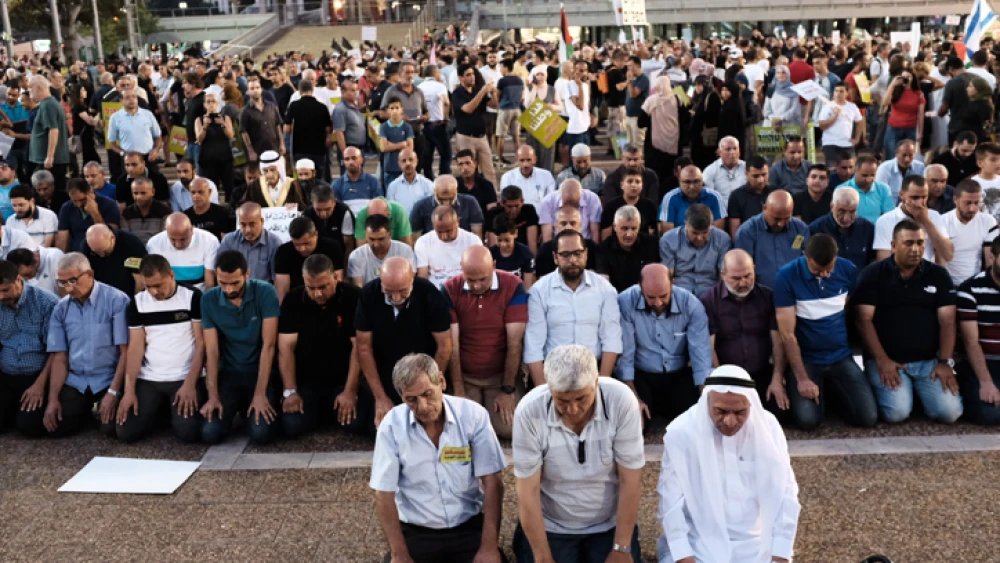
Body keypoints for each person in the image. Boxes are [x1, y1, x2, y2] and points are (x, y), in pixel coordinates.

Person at [512, 344, 644, 563]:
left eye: (581, 398)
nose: (572, 409)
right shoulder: (529, 411)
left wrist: (621, 547)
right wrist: (543, 557)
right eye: (562, 401)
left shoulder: (621, 401)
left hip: (608, 525)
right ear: (549, 388)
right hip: (552, 526)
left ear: (596, 382)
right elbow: (528, 490)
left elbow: (630, 479)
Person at [656, 365, 800, 563]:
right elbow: (670, 501)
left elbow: (786, 491)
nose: (730, 421)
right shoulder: (681, 432)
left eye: (740, 412)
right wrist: (684, 556)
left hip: (757, 545)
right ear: (708, 400)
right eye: (721, 411)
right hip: (698, 541)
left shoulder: (768, 427)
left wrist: (780, 552)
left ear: (751, 403)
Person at [371, 353, 507, 563]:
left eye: (428, 394)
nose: (423, 407)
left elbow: (493, 483)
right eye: (412, 400)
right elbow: (383, 494)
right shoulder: (391, 426)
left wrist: (489, 546)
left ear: (441, 382)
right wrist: (400, 554)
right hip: (417, 530)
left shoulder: (473, 416)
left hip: (467, 526)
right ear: (401, 397)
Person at [855, 219, 963, 424]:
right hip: (889, 361)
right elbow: (863, 320)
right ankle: (905, 393)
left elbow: (948, 321)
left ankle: (918, 394)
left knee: (950, 413)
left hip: (929, 363)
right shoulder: (873, 274)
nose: (916, 249)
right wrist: (882, 360)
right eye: (909, 243)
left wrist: (945, 362)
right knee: (897, 413)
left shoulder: (938, 275)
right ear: (894, 246)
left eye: (920, 243)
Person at [774, 234, 877, 430]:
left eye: (829, 269)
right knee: (807, 421)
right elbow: (787, 334)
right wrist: (802, 378)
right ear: (805, 256)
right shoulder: (786, 276)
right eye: (817, 270)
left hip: (840, 356)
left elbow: (848, 307)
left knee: (867, 418)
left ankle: (833, 394)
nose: (823, 275)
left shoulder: (847, 270)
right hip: (807, 358)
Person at [115, 254, 204, 443]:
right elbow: (135, 349)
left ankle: (167, 412)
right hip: (150, 378)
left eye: (158, 285)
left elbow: (201, 344)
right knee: (126, 431)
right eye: (148, 286)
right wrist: (129, 390)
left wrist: (190, 384)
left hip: (183, 376)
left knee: (189, 433)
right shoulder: (138, 303)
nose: (154, 292)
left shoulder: (192, 297)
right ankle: (160, 411)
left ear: (171, 275)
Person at [278, 254, 369, 438]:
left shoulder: (353, 296)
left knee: (355, 424)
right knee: (292, 426)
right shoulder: (293, 300)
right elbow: (286, 349)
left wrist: (350, 391)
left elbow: (358, 347)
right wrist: (290, 391)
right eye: (311, 288)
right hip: (308, 380)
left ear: (335, 278)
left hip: (341, 379)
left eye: (323, 287)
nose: (317, 293)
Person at [442, 246, 528, 439]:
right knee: (462, 431)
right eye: (471, 280)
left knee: (509, 429)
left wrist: (507, 389)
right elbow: (452, 345)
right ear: (461, 270)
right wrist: (459, 391)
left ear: (494, 267)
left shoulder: (513, 286)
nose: (477, 285)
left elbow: (515, 343)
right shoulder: (449, 289)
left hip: (499, 377)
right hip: (465, 376)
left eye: (483, 279)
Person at [355, 256, 452, 426]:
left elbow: (444, 346)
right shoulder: (369, 294)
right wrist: (380, 397)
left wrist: (431, 388)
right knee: (379, 427)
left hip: (422, 372)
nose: (396, 297)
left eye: (402, 291)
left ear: (412, 277)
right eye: (389, 291)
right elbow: (363, 347)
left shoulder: (429, 294)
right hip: (386, 374)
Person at [200, 250, 282, 444]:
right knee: (209, 433)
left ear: (247, 274)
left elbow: (269, 346)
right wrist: (212, 396)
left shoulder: (265, 292)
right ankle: (239, 409)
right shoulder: (208, 299)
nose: (228, 290)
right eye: (223, 283)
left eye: (234, 283)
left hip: (260, 370)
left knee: (261, 435)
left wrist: (260, 393)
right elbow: (211, 351)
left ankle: (257, 405)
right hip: (230, 372)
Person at [44, 252, 130, 437]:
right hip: (76, 380)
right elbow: (60, 357)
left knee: (112, 429)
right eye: (62, 282)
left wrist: (114, 392)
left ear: (90, 274)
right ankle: (85, 412)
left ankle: (95, 411)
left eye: (73, 280)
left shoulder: (117, 300)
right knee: (53, 425)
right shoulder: (61, 308)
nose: (68, 288)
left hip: (107, 379)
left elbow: (126, 352)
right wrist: (52, 399)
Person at [616, 263, 712, 427]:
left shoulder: (691, 305)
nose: (658, 303)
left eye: (663, 296)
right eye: (651, 297)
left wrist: (705, 397)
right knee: (634, 422)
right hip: (641, 374)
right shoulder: (625, 302)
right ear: (640, 287)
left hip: (678, 374)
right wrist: (634, 397)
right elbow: (625, 356)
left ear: (672, 284)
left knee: (696, 422)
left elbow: (700, 355)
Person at [524, 230, 622, 385]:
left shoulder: (605, 289)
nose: (572, 260)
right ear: (555, 257)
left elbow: (611, 340)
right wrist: (543, 393)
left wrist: (602, 385)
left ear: (586, 254)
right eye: (565, 254)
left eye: (578, 253)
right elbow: (533, 347)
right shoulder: (539, 291)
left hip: (593, 371)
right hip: (552, 372)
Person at [701, 249, 790, 414]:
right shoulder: (709, 300)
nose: (743, 283)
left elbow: (778, 341)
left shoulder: (767, 297)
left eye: (748, 276)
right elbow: (709, 347)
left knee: (780, 413)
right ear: (723, 275)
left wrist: (777, 379)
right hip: (728, 375)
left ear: (754, 269)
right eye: (736, 278)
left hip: (761, 371)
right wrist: (721, 384)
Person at [0, 260, 60, 436]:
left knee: (29, 428)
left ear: (19, 280)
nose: (1, 297)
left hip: (36, 375)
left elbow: (56, 351)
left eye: (5, 290)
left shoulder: (47, 303)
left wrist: (39, 385)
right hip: (5, 373)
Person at [957, 238, 1000, 425]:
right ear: (992, 257)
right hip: (982, 363)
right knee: (988, 414)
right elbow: (971, 342)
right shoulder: (970, 289)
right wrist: (986, 382)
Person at [734, 190, 810, 289]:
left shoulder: (800, 229)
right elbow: (744, 270)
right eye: (776, 218)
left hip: (795, 290)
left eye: (786, 218)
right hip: (760, 294)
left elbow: (806, 261)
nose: (781, 224)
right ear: (764, 208)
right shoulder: (747, 231)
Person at [873, 175, 953, 264]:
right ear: (902, 195)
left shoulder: (934, 216)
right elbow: (883, 260)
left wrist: (926, 221)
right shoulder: (885, 220)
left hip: (927, 273)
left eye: (924, 197)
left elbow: (948, 255)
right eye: (915, 197)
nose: (920, 203)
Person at [660, 203, 731, 297]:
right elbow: (668, 274)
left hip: (711, 292)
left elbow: (723, 275)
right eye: (695, 233)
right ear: (686, 224)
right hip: (679, 292)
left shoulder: (723, 239)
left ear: (711, 225)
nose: (700, 238)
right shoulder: (668, 240)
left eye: (705, 232)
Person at [274, 216, 345, 302]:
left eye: (306, 243)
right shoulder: (283, 252)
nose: (302, 249)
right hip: (297, 302)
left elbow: (337, 282)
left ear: (316, 234)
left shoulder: (332, 247)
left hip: (328, 298)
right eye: (297, 244)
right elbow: (282, 291)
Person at [808, 187, 875, 275]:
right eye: (841, 211)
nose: (846, 218)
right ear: (832, 206)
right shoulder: (815, 229)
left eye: (852, 212)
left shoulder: (867, 228)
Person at [941, 179, 997, 286]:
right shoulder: (942, 222)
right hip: (949, 284)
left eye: (976, 203)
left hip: (976, 284)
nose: (972, 208)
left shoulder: (988, 222)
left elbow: (990, 260)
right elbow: (940, 260)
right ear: (955, 199)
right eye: (967, 203)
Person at [414, 205, 483, 289]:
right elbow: (423, 279)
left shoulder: (473, 241)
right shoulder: (423, 243)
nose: (444, 236)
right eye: (439, 232)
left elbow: (478, 274)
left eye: (448, 231)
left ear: (458, 222)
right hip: (436, 293)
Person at [146, 213, 220, 291]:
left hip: (199, 294)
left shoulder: (209, 241)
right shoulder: (154, 244)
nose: (178, 245)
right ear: (166, 231)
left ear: (191, 230)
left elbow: (210, 282)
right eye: (173, 239)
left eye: (183, 239)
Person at [597, 205, 661, 293]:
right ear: (615, 227)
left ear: (639, 227)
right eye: (624, 229)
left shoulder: (652, 244)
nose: (629, 234)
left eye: (634, 228)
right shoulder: (603, 249)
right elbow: (604, 284)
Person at [451, 62, 497, 185]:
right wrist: (482, 91)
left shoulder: (477, 90)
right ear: (461, 78)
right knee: (468, 171)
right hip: (466, 137)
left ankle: (491, 198)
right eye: (468, 75)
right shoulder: (457, 94)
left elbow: (494, 105)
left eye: (473, 74)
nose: (472, 77)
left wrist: (493, 93)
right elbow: (468, 109)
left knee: (489, 171)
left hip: (482, 137)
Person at [217, 202, 283, 283]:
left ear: (262, 221)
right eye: (243, 225)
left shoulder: (274, 243)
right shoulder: (229, 241)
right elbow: (220, 274)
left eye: (252, 224)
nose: (247, 230)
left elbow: (278, 280)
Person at [284, 79, 333, 183]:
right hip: (318, 149)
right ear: (312, 90)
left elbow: (286, 129)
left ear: (299, 91)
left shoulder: (293, 106)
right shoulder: (322, 107)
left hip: (300, 149)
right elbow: (329, 129)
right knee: (319, 179)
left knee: (301, 180)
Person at [347, 214, 417, 287]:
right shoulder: (356, 256)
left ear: (390, 234)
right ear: (365, 235)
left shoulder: (405, 251)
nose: (376, 244)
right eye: (372, 239)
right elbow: (359, 288)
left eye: (381, 239)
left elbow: (410, 282)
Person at [27, 76, 70, 193]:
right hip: (49, 159)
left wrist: (49, 156)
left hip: (51, 161)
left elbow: (53, 130)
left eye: (31, 90)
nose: (30, 94)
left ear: (39, 88)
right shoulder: (48, 104)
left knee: (51, 192)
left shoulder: (48, 105)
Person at [56, 178, 122, 253]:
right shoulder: (66, 207)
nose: (78, 204)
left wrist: (95, 213)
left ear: (90, 192)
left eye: (82, 200)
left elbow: (110, 236)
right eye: (74, 201)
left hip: (100, 252)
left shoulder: (110, 205)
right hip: (77, 254)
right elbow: (63, 239)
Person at [409, 174, 485, 238]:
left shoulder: (470, 203)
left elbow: (477, 234)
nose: (446, 203)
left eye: (450, 198)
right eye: (441, 199)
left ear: (456, 191)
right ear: (434, 191)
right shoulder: (420, 207)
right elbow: (416, 239)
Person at [659, 164, 726, 234]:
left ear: (702, 181)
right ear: (679, 182)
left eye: (696, 181)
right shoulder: (669, 198)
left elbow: (718, 234)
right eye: (687, 182)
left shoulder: (715, 197)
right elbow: (669, 236)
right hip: (678, 243)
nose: (692, 187)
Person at [194, 92, 235, 199]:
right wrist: (205, 126)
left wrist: (223, 124)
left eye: (213, 102)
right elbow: (199, 139)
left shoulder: (225, 118)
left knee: (229, 186)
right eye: (208, 102)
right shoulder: (199, 119)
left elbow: (231, 136)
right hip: (208, 159)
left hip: (225, 158)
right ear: (204, 104)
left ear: (218, 104)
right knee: (211, 187)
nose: (211, 104)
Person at [107, 89, 162, 165]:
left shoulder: (148, 114)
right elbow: (112, 142)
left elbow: (158, 136)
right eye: (127, 97)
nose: (131, 100)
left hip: (149, 157)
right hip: (129, 160)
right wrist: (123, 153)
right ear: (121, 100)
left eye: (134, 97)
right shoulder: (115, 117)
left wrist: (155, 150)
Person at [601, 166, 658, 238]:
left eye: (637, 182)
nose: (634, 185)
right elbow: (606, 236)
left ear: (642, 185)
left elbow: (653, 233)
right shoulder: (611, 206)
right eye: (630, 181)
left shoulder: (649, 206)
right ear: (622, 185)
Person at [725, 156, 774, 239]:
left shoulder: (776, 193)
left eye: (764, 175)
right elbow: (736, 234)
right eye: (756, 176)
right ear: (746, 174)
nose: (761, 180)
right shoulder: (736, 196)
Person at [539, 179, 603, 242]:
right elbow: (547, 237)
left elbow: (595, 232)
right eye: (567, 202)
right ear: (560, 195)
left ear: (581, 194)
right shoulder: (547, 202)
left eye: (574, 203)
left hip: (585, 242)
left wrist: (594, 249)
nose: (570, 207)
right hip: (558, 244)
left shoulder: (592, 199)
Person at [881, 69, 926, 158]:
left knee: (908, 156)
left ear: (913, 78)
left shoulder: (918, 94)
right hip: (894, 127)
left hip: (910, 128)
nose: (906, 79)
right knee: (891, 155)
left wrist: (920, 132)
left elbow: (921, 114)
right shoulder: (895, 91)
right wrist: (893, 84)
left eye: (908, 76)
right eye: (903, 77)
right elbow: (885, 103)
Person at [240, 76, 285, 161]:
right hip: (258, 150)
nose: (255, 90)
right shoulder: (245, 111)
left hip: (274, 147)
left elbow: (277, 125)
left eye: (257, 87)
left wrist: (282, 143)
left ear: (261, 89)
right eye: (252, 88)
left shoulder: (271, 106)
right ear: (248, 92)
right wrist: (251, 151)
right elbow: (244, 133)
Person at [485, 185, 539, 254]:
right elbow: (493, 245)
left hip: (523, 252)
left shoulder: (529, 211)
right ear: (502, 203)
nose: (514, 210)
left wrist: (532, 261)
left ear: (522, 202)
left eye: (517, 206)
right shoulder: (493, 214)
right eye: (510, 206)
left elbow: (532, 243)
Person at [817, 83, 862, 165]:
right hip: (830, 143)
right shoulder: (827, 106)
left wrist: (857, 138)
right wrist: (835, 116)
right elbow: (822, 126)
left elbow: (860, 122)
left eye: (841, 91)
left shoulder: (852, 107)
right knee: (832, 168)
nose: (838, 93)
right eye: (836, 91)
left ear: (846, 93)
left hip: (847, 143)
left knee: (850, 168)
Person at [842, 155, 895, 224]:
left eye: (872, 175)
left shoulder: (884, 189)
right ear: (855, 171)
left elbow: (889, 215)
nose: (869, 179)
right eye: (865, 175)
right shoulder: (843, 190)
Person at [120, 177, 171, 244]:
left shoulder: (164, 212)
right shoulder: (126, 213)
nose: (139, 197)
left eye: (143, 193)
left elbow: (164, 238)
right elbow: (126, 237)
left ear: (153, 192)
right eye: (135, 193)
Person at [332, 147, 382, 215]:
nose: (351, 162)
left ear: (361, 160)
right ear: (344, 162)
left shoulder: (374, 182)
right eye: (347, 159)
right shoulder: (336, 185)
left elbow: (379, 208)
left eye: (354, 158)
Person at [702, 136, 747, 207]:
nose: (732, 152)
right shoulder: (710, 171)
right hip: (720, 212)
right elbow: (708, 197)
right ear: (719, 152)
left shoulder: (747, 168)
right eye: (728, 149)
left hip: (743, 211)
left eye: (735, 148)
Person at [386, 148, 434, 214]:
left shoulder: (428, 185)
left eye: (411, 160)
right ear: (399, 164)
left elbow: (430, 210)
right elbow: (392, 212)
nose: (408, 163)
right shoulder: (392, 187)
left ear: (417, 161)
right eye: (404, 161)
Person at [454, 149, 498, 214]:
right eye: (461, 164)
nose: (465, 167)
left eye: (468, 163)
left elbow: (492, 212)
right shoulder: (453, 186)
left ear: (475, 164)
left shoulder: (486, 185)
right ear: (457, 166)